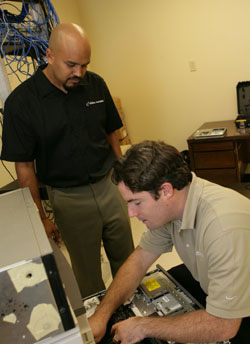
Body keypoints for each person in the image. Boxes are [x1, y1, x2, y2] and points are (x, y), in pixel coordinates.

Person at [1, 23, 134, 298]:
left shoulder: (94, 83)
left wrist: (124, 174)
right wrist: (39, 217)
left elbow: (112, 130)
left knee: (128, 260)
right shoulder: (22, 103)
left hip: (109, 184)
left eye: (85, 65)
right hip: (68, 198)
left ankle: (136, 315)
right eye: (71, 64)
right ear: (49, 56)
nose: (79, 73)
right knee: (87, 276)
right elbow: (24, 167)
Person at [89, 140, 250, 344]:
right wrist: (101, 315)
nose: (130, 213)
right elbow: (139, 261)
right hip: (214, 281)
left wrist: (143, 326)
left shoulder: (224, 229)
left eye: (136, 203)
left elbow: (223, 326)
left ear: (165, 191)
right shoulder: (174, 207)